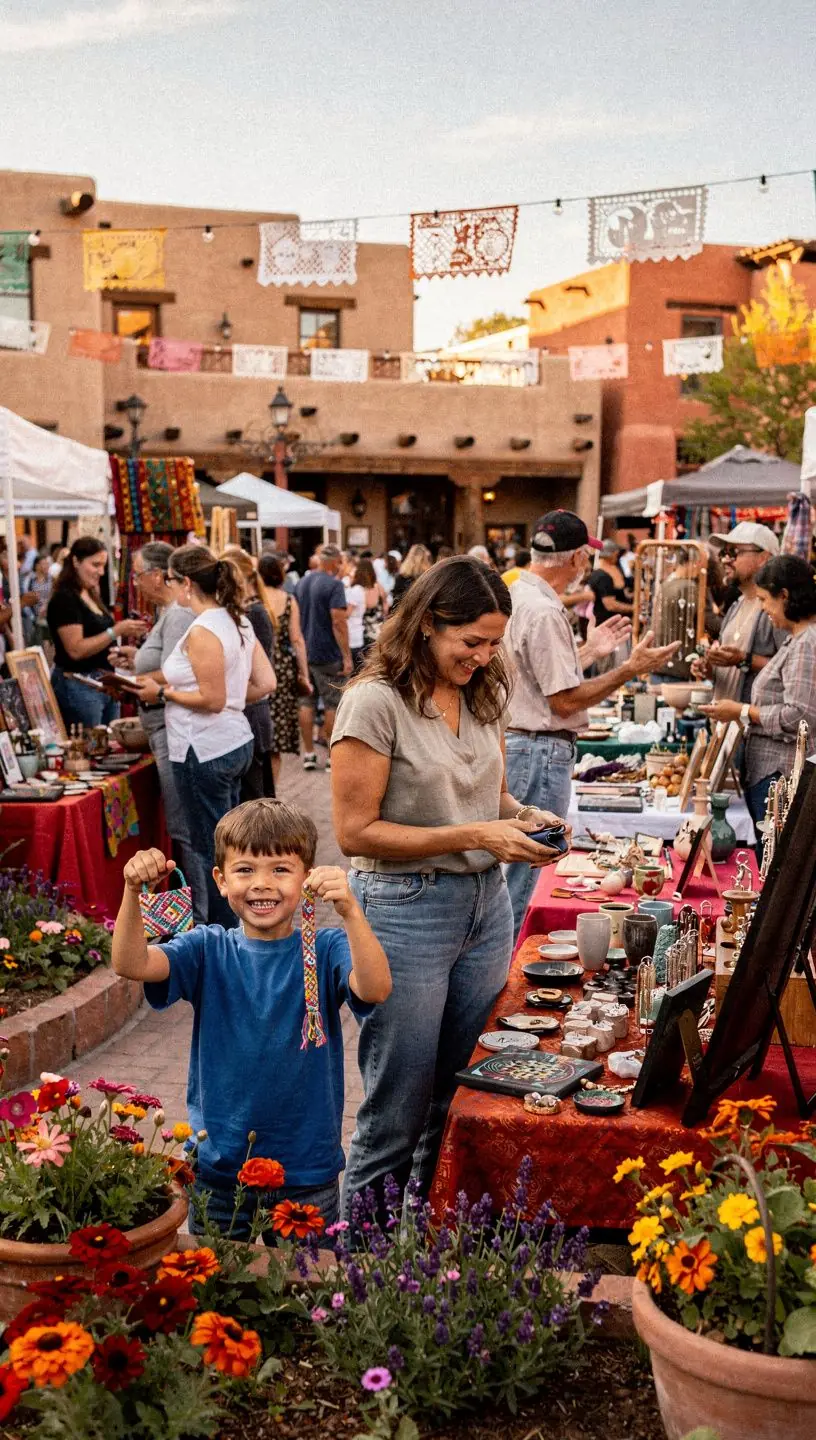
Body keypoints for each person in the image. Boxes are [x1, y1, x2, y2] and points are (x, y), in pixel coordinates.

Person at [331, 555, 564, 1219]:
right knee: (396, 1110)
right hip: (403, 913)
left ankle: (431, 1257)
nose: (485, 656)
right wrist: (481, 836)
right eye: (472, 642)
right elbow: (355, 832)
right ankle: (362, 1275)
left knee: (458, 1100)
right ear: (429, 625)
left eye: (494, 643)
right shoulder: (374, 701)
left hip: (484, 907)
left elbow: (486, 796)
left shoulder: (480, 693)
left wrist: (523, 818)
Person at [111, 799, 391, 1237]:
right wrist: (131, 892)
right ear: (220, 880)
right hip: (219, 1169)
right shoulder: (206, 949)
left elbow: (375, 988)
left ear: (307, 876)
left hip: (305, 1170)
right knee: (217, 1285)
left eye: (281, 869)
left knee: (303, 1295)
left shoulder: (327, 948)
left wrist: (352, 912)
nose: (263, 884)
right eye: (245, 870)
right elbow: (131, 963)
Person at [501, 511, 681, 938]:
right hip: (539, 748)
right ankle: (502, 974)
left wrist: (589, 652)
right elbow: (562, 701)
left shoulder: (520, 595)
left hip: (527, 743)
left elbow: (539, 678)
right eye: (587, 556)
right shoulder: (543, 609)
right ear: (578, 557)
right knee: (527, 870)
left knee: (519, 869)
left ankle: (499, 969)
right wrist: (628, 669)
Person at [134, 545, 276, 928]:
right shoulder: (237, 621)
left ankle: (221, 935)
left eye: (170, 579)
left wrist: (162, 694)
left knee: (212, 851)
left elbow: (212, 699)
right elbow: (264, 682)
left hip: (204, 748)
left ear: (186, 584)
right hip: (231, 742)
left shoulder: (204, 628)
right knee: (230, 845)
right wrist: (230, 699)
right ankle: (236, 928)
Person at [701, 555, 816, 849]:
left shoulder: (806, 644)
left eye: (765, 599)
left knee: (774, 856)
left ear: (785, 596)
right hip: (771, 771)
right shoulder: (797, 639)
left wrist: (741, 710)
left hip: (780, 772)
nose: (763, 608)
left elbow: (799, 716)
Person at [130, 542, 202, 913]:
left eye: (138, 574)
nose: (136, 582)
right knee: (186, 828)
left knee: (184, 830)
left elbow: (176, 673)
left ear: (159, 576)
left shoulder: (176, 615)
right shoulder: (169, 614)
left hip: (169, 724)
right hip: (166, 723)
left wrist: (140, 680)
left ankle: (197, 914)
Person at [47, 538, 147, 729]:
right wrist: (115, 631)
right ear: (76, 561)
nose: (101, 572)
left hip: (103, 684)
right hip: (79, 685)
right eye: (95, 565)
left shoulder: (90, 593)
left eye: (103, 566)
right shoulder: (65, 599)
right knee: (90, 747)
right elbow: (76, 650)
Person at [692, 523, 782, 703]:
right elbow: (727, 672)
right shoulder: (736, 606)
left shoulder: (777, 610)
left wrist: (743, 660)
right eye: (723, 553)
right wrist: (709, 667)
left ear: (763, 558)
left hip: (757, 726)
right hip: (726, 728)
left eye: (734, 553)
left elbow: (792, 670)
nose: (725, 560)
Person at [220, 546, 278, 803]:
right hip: (251, 712)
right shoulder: (250, 611)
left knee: (254, 802)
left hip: (253, 713)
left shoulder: (253, 614)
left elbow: (258, 675)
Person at [258, 553, 312, 786]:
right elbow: (297, 640)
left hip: (256, 667)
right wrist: (304, 674)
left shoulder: (253, 602)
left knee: (258, 736)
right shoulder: (288, 600)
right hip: (281, 669)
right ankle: (272, 791)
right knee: (276, 741)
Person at [296, 544, 350, 772]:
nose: (341, 566)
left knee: (306, 702)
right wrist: (347, 655)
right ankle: (330, 756)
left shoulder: (302, 582)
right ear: (333, 561)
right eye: (339, 562)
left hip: (305, 651)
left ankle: (308, 753)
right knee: (332, 703)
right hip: (327, 653)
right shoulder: (334, 585)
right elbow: (338, 621)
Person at [588, 539, 634, 625]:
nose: (617, 557)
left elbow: (618, 591)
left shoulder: (613, 568)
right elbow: (610, 605)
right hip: (608, 624)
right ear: (609, 555)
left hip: (617, 622)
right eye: (616, 554)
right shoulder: (601, 575)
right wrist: (633, 608)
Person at [391, 544, 432, 609]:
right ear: (425, 558)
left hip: (404, 613)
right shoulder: (429, 576)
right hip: (423, 613)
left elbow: (396, 599)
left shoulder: (401, 576)